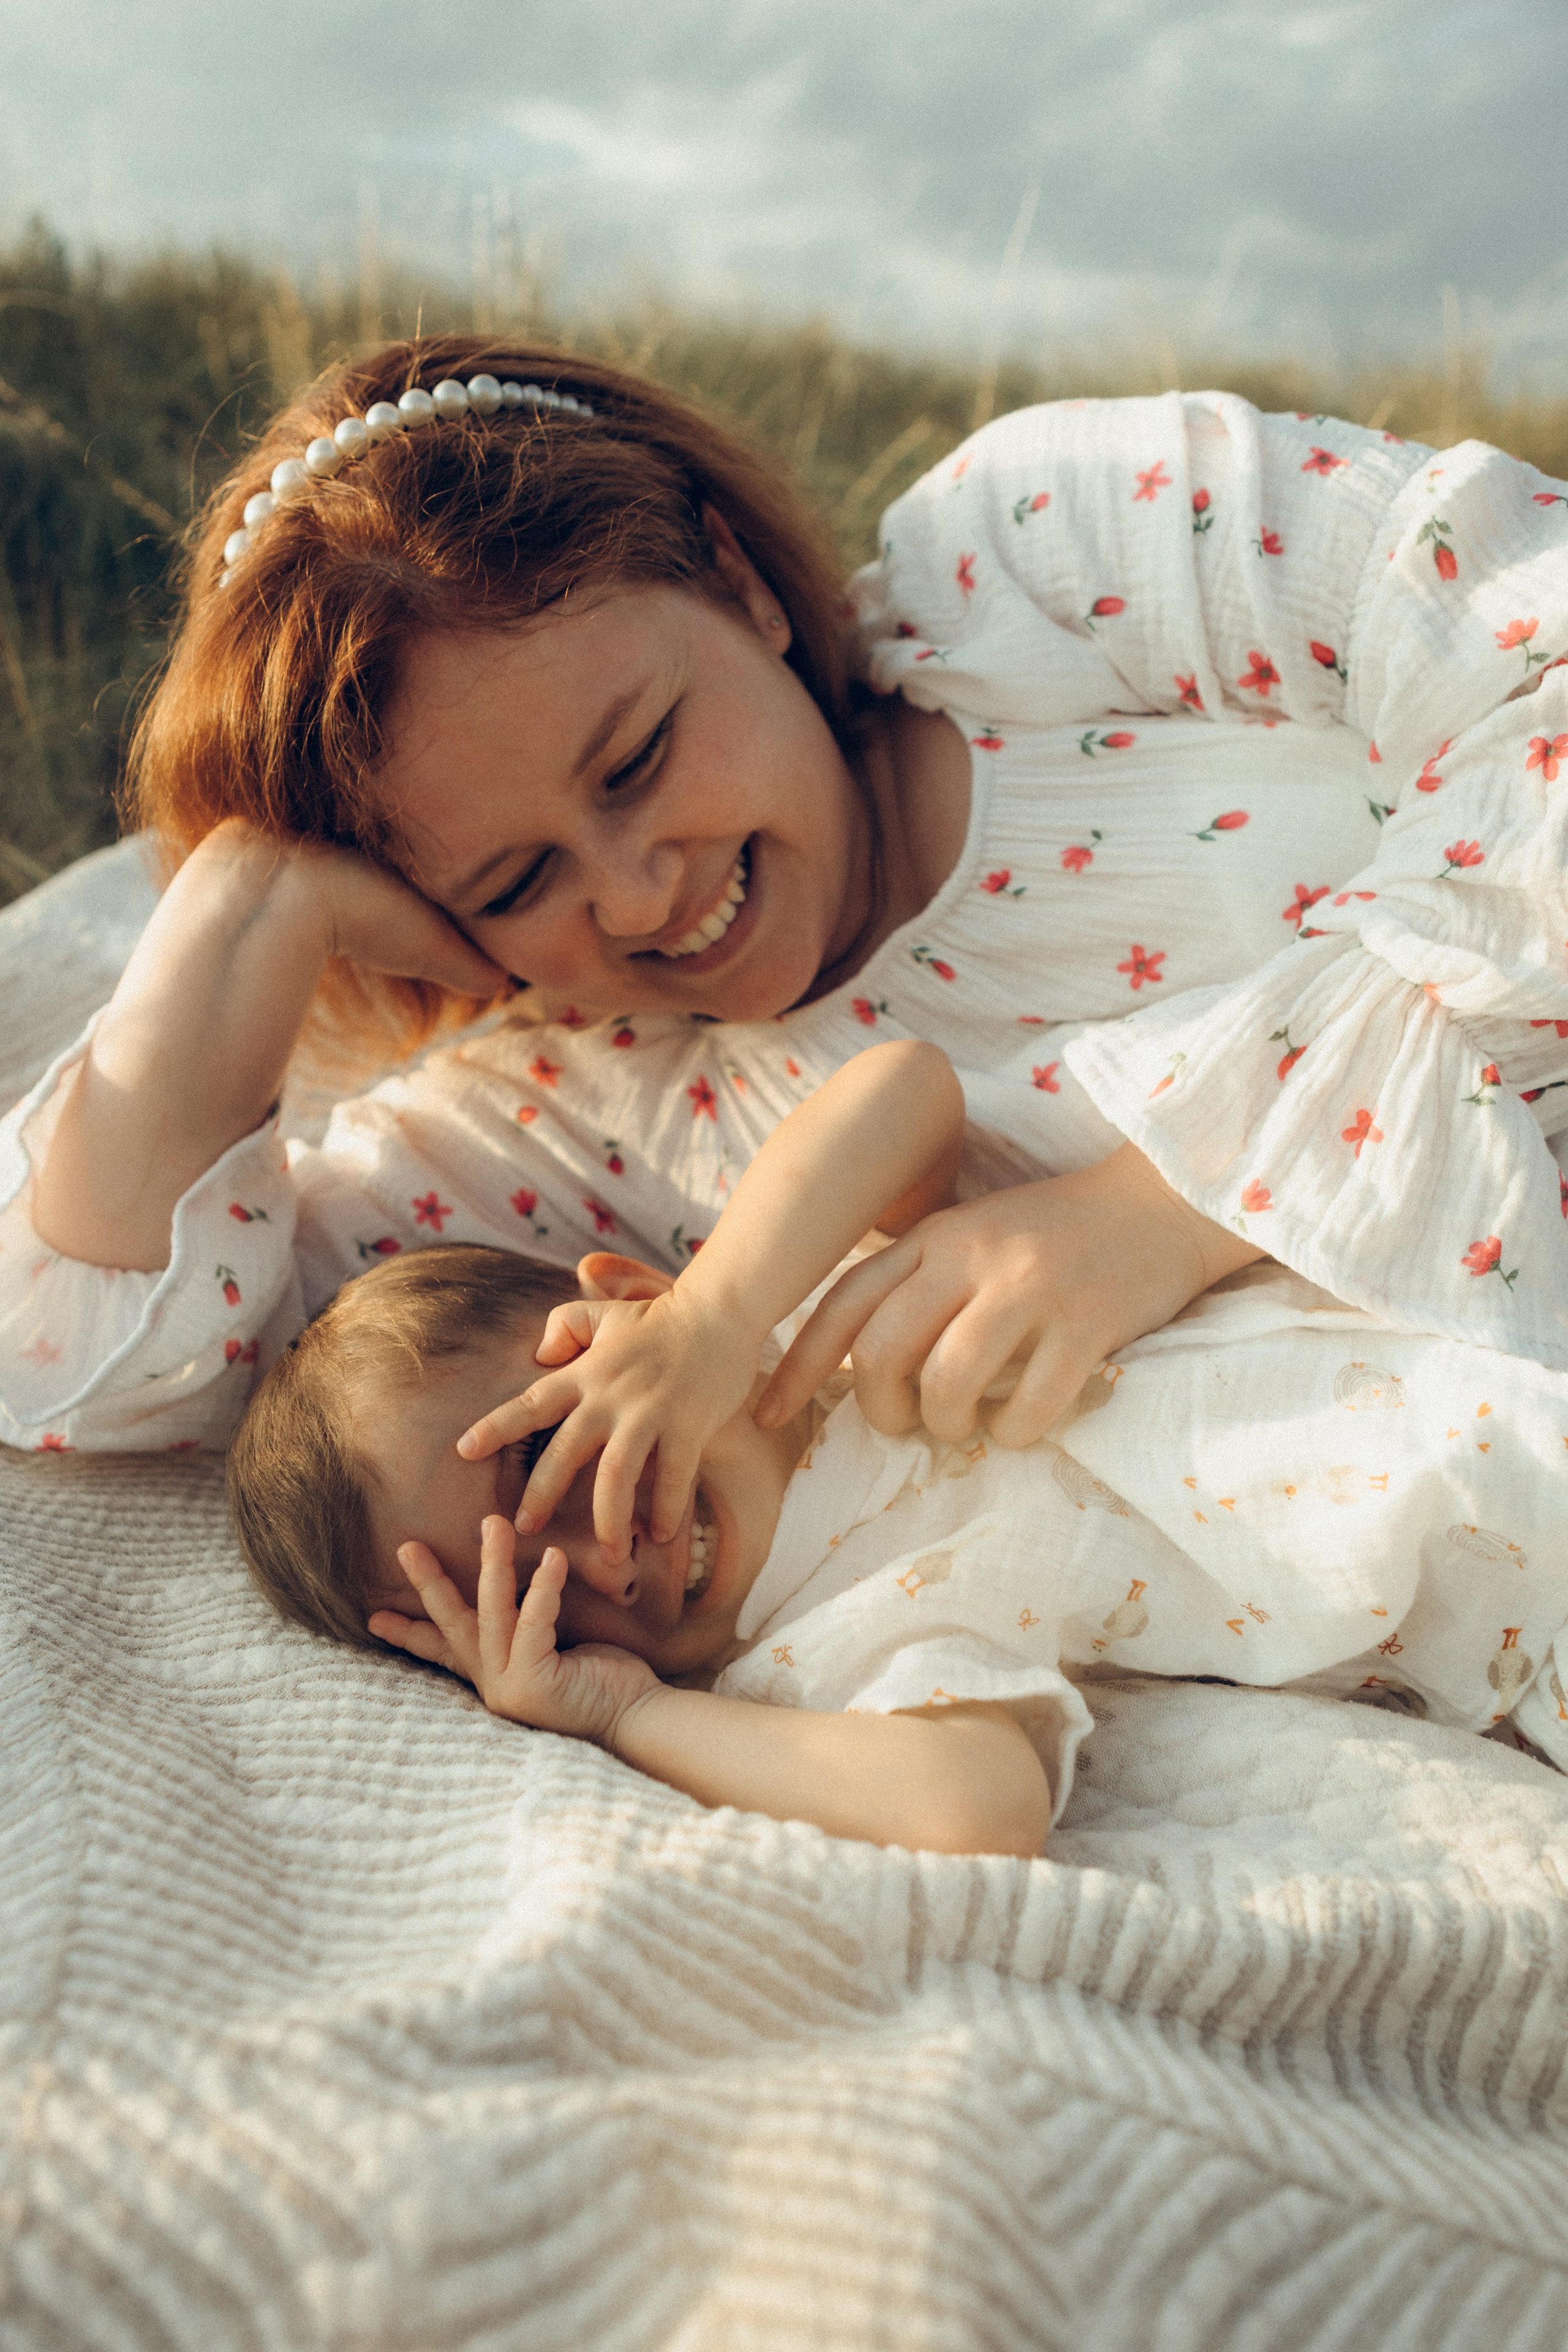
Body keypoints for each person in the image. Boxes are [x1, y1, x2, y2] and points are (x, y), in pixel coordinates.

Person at [1, 337, 1564, 1724]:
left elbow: (1535, 644)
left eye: (636, 758)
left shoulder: (1041, 560)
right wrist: (249, 903)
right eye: (516, 879)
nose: (635, 895)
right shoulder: (577, 1110)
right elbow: (97, 1374)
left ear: (736, 583)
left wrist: (1153, 1212)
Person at [226, 1037, 1568, 1863]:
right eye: (529, 1603)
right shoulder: (825, 1641)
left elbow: (903, 1089)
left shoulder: (824, 1313)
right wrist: (626, 1712)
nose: (602, 1562)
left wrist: (718, 1315)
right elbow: (972, 1809)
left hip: (1493, 1280)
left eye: (552, 1462)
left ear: (626, 1310)